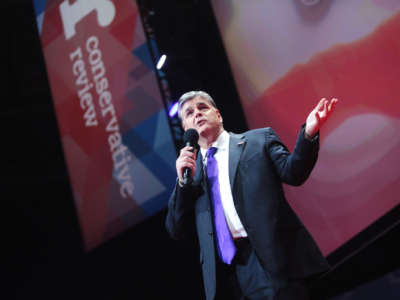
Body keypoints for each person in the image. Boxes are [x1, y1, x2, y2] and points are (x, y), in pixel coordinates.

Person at [165, 90, 338, 300]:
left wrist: (308, 135)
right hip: (237, 272)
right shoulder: (190, 175)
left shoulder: (257, 141)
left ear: (218, 115)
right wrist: (183, 182)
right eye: (189, 113)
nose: (197, 114)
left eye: (203, 108)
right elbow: (176, 228)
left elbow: (294, 173)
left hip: (280, 258)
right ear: (185, 129)